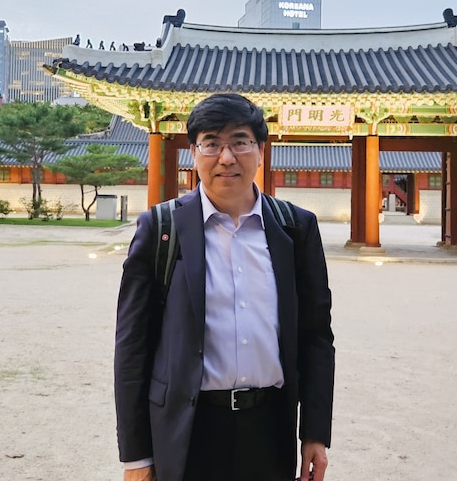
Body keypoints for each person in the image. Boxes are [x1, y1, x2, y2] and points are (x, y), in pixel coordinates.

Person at [114, 93, 335, 481]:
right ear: (194, 152)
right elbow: (132, 347)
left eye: (240, 141)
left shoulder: (295, 229)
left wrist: (314, 433)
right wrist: (136, 457)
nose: (227, 157)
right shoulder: (161, 230)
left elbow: (316, 335)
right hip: (189, 429)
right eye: (212, 143)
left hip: (270, 428)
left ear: (260, 150)